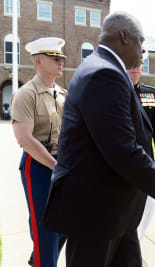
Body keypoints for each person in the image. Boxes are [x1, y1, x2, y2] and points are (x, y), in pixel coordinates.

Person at [42, 12, 155, 267]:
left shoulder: (102, 67)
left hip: (115, 214)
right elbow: (123, 151)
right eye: (140, 41)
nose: (142, 50)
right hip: (96, 216)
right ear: (124, 37)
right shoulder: (104, 74)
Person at [11, 37, 67, 267]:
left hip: (62, 161)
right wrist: (54, 166)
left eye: (61, 58)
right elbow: (24, 138)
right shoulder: (27, 93)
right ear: (39, 61)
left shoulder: (63, 94)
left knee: (66, 220)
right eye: (55, 58)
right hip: (37, 165)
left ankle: (40, 256)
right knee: (44, 225)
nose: (61, 62)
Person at [127, 59, 155, 243]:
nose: (134, 69)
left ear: (142, 68)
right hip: (125, 160)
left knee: (149, 205)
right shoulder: (116, 91)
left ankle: (138, 240)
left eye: (137, 65)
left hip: (147, 160)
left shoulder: (150, 94)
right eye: (130, 65)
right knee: (128, 206)